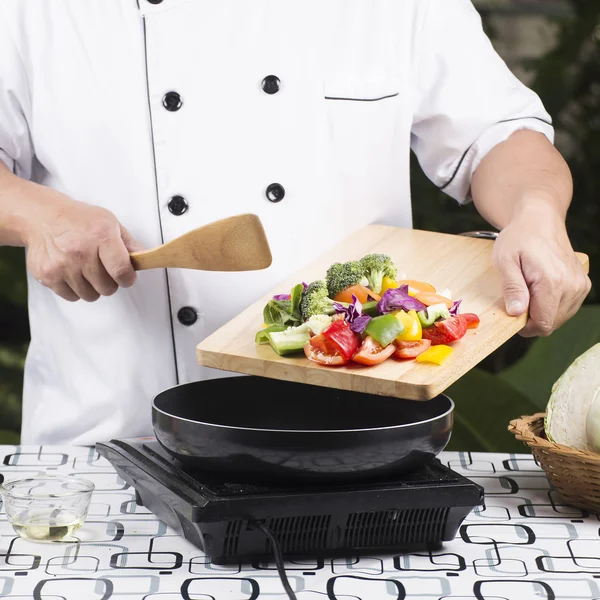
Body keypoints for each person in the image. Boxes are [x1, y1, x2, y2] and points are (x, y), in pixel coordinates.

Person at [0, 0, 591, 445]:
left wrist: (535, 213)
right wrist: (36, 213)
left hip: (363, 444)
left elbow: (498, 136)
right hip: (108, 444)